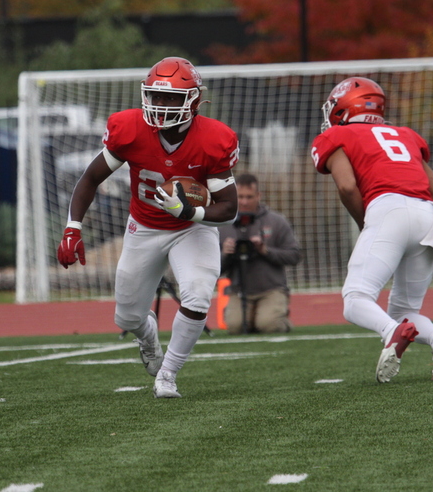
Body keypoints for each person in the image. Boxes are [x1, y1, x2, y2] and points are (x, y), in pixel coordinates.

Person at [57, 57, 239, 398]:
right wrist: (72, 228)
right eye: (156, 96)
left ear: (194, 101)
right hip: (145, 226)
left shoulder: (214, 139)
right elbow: (90, 178)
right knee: (126, 317)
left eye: (171, 98)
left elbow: (229, 208)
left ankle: (167, 374)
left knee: (198, 294)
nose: (161, 104)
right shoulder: (130, 128)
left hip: (192, 229)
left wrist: (191, 212)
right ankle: (148, 338)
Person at [311, 76, 433, 383]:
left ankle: (391, 333)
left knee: (355, 299)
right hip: (429, 215)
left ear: (343, 107)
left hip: (389, 207)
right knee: (404, 309)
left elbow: (347, 185)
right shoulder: (406, 135)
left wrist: (367, 222)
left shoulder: (337, 135)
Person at [218, 173, 301, 334]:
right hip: (239, 290)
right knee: (235, 328)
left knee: (269, 326)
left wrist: (266, 251)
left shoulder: (276, 221)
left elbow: (295, 256)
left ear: (258, 196)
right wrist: (226, 254)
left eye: (249, 197)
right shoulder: (223, 225)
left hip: (271, 289)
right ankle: (253, 318)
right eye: (240, 196)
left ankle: (278, 319)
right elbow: (214, 269)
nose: (244, 201)